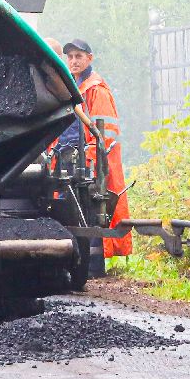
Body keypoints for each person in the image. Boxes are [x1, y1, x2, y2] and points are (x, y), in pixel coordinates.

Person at [56, 39, 132, 267]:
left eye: (78, 56)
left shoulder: (96, 91)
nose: (73, 61)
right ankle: (78, 263)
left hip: (91, 164)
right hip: (70, 160)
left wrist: (90, 159)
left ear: (90, 58)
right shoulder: (74, 88)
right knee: (73, 212)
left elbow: (105, 134)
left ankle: (94, 266)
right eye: (70, 57)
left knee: (93, 211)